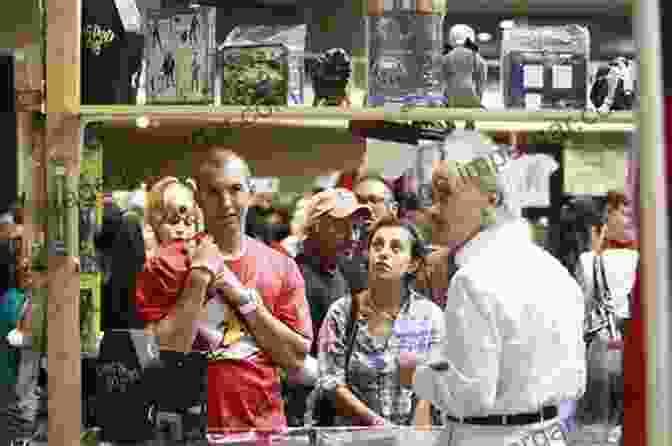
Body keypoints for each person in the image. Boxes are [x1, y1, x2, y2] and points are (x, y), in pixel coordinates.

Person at [408, 130, 585, 446]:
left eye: (444, 194)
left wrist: (416, 375)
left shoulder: (473, 280)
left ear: (493, 198)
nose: (432, 211)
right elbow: (573, 381)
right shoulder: (556, 273)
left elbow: (472, 395)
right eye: (430, 197)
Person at [189, 147, 313, 432]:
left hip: (263, 429)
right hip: (194, 431)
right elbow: (162, 350)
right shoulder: (174, 262)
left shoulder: (281, 265)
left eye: (235, 189)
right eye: (213, 192)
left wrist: (245, 302)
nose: (226, 203)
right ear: (198, 197)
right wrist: (198, 279)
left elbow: (296, 359)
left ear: (250, 191)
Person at [312, 216, 445, 427]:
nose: (384, 253)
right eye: (377, 245)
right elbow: (330, 382)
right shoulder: (343, 312)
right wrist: (379, 426)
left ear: (412, 264)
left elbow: (432, 385)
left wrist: (413, 436)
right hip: (352, 438)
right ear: (368, 254)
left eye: (396, 248)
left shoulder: (428, 315)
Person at [284, 188, 372, 426]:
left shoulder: (341, 274)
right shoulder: (295, 276)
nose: (352, 236)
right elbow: (291, 358)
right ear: (316, 226)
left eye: (354, 227)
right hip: (302, 411)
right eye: (341, 226)